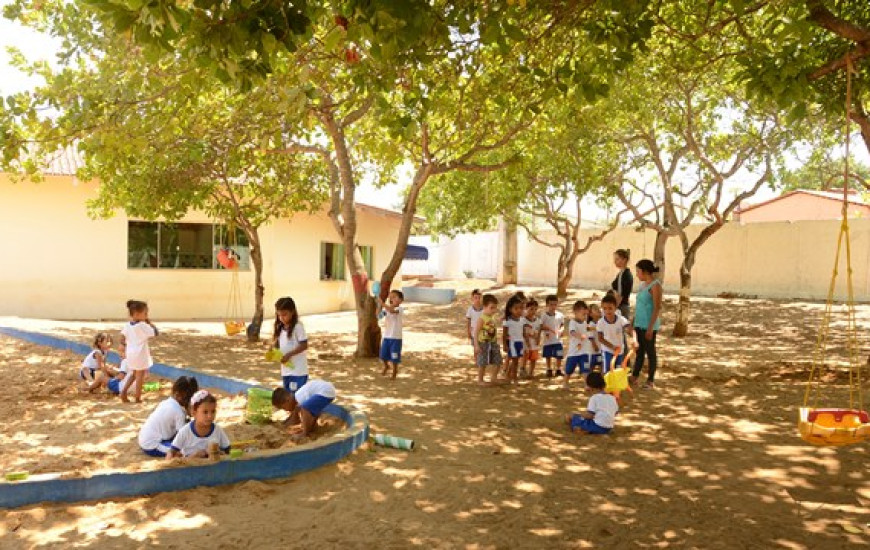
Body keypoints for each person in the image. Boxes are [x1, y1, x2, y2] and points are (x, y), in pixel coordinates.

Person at [138, 376, 199, 457]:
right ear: (179, 395)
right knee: (184, 450)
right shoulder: (178, 412)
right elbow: (183, 435)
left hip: (145, 438)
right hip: (153, 445)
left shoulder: (167, 402)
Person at [167, 390, 231, 459]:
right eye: (205, 412)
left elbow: (228, 451)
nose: (210, 416)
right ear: (194, 412)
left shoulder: (218, 430)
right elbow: (171, 452)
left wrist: (218, 452)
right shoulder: (185, 432)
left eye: (213, 411)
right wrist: (194, 456)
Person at [631, 259, 663, 390]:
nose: (637, 274)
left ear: (644, 272)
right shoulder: (642, 285)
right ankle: (634, 376)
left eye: (638, 271)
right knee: (639, 352)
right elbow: (639, 305)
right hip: (639, 323)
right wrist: (633, 321)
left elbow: (657, 307)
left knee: (650, 352)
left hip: (648, 325)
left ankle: (650, 380)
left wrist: (650, 327)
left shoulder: (655, 286)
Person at [272, 378, 336, 441]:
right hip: (327, 390)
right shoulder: (298, 397)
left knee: (304, 409)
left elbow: (296, 418)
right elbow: (311, 413)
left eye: (284, 408)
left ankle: (304, 433)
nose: (286, 410)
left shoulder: (299, 397)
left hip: (326, 392)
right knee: (309, 410)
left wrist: (303, 428)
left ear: (287, 400)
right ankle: (310, 429)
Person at [119, 300, 158, 403]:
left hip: (130, 353)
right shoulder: (142, 325)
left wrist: (122, 345)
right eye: (145, 313)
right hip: (140, 354)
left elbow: (122, 337)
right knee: (139, 376)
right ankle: (137, 397)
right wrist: (149, 322)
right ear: (137, 314)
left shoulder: (128, 325)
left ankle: (124, 391)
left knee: (133, 374)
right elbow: (155, 333)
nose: (147, 315)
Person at [270, 296, 309, 393]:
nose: (282, 318)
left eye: (284, 315)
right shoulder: (280, 327)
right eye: (279, 315)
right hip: (286, 370)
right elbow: (278, 344)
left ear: (292, 312)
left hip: (298, 371)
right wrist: (273, 349)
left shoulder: (297, 327)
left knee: (297, 397)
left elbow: (304, 345)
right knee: (288, 397)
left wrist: (289, 354)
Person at [565, 371, 619, 435]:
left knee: (573, 417)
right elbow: (616, 412)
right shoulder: (612, 397)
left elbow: (589, 415)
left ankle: (582, 429)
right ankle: (590, 430)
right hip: (609, 427)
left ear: (590, 387)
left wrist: (580, 415)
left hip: (597, 426)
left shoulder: (594, 398)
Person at [596, 294, 635, 373]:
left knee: (618, 370)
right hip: (607, 350)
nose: (607, 311)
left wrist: (634, 339)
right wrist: (612, 347)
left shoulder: (621, 319)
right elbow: (600, 338)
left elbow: (630, 329)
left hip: (619, 351)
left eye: (610, 308)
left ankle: (616, 385)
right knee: (607, 371)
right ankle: (607, 385)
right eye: (605, 309)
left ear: (615, 308)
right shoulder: (600, 323)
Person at [564, 301, 597, 389]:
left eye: (585, 314)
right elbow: (572, 332)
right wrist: (580, 336)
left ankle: (586, 384)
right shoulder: (572, 322)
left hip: (584, 351)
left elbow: (587, 328)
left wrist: (595, 328)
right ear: (575, 312)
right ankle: (565, 382)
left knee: (585, 368)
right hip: (574, 352)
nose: (585, 316)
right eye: (583, 314)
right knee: (569, 369)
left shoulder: (585, 322)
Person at [474, 294, 502, 385]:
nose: (494, 310)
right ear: (485, 307)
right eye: (491, 308)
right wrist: (476, 345)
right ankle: (480, 380)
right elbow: (476, 333)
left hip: (493, 343)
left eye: (495, 308)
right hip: (483, 343)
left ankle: (494, 378)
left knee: (498, 360)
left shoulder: (492, 317)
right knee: (482, 362)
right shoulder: (481, 319)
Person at [379, 290, 404, 379]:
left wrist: (382, 304)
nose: (392, 298)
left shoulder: (399, 309)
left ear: (400, 300)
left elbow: (392, 311)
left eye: (394, 297)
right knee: (383, 355)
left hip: (396, 338)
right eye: (391, 297)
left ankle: (394, 370)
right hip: (387, 336)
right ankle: (386, 366)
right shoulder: (387, 310)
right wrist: (378, 308)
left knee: (394, 355)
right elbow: (379, 316)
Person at [502, 295, 526, 385]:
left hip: (520, 342)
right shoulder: (507, 321)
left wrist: (526, 340)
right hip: (512, 342)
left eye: (521, 308)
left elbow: (523, 331)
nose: (519, 310)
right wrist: (504, 344)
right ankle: (514, 379)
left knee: (516, 360)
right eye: (516, 308)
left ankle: (508, 376)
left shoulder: (522, 320)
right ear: (510, 309)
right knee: (515, 361)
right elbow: (504, 334)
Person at [540, 295, 565, 378]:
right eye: (551, 304)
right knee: (548, 355)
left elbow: (562, 325)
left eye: (555, 304)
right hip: (548, 340)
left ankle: (558, 369)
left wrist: (561, 330)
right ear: (547, 305)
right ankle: (549, 369)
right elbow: (540, 326)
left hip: (557, 339)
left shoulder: (560, 315)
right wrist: (547, 328)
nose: (553, 306)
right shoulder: (544, 315)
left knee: (559, 355)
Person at [610, 249, 634, 319]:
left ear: (624, 260)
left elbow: (621, 295)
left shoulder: (626, 275)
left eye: (617, 259)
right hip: (618, 305)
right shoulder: (620, 274)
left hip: (621, 307)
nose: (615, 262)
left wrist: (613, 309)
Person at [522, 298, 542, 379]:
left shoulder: (538, 321)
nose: (533, 311)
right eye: (531, 309)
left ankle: (531, 372)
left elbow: (539, 330)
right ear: (526, 309)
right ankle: (522, 370)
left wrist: (538, 339)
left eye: (535, 309)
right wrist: (527, 342)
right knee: (525, 356)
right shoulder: (523, 320)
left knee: (533, 358)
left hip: (534, 342)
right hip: (526, 343)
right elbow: (524, 332)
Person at [466, 289, 484, 364]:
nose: (477, 299)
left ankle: (482, 359)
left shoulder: (484, 309)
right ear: (472, 298)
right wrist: (468, 331)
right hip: (474, 332)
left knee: (482, 346)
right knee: (475, 346)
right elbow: (468, 321)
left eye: (479, 297)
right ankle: (476, 360)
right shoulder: (470, 309)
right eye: (476, 297)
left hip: (483, 331)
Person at [587, 303, 603, 370]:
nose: (599, 310)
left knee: (602, 364)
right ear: (590, 314)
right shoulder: (591, 324)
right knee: (592, 365)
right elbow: (591, 337)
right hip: (593, 350)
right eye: (595, 309)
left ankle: (602, 379)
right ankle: (589, 378)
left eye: (598, 308)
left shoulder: (602, 323)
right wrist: (594, 345)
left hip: (601, 349)